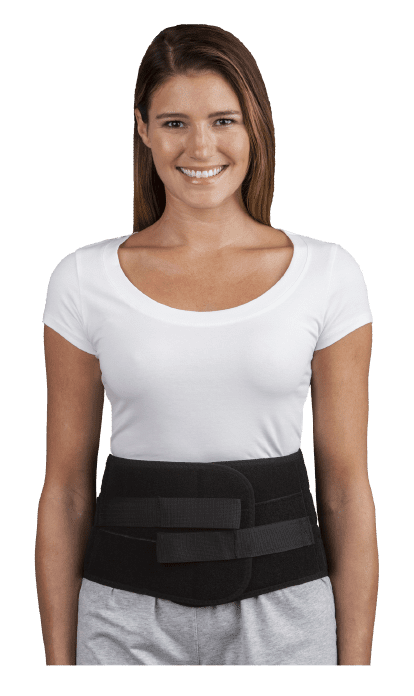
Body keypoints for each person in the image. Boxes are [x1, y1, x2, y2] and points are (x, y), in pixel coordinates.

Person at [36, 24, 378, 666]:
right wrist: (58, 668)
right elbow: (67, 491)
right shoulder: (83, 279)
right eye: (174, 123)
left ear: (255, 128)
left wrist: (355, 668)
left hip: (284, 617)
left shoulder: (327, 273)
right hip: (123, 618)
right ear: (142, 129)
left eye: (224, 120)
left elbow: (345, 488)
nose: (200, 146)